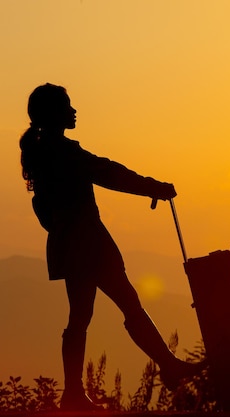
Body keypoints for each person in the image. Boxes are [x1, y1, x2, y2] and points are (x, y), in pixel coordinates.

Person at [19, 83, 205, 411]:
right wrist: (154, 188)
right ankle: (163, 366)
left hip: (72, 245)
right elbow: (110, 173)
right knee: (124, 307)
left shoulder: (44, 152)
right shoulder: (63, 153)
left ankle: (75, 392)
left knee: (83, 316)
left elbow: (46, 207)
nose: (73, 111)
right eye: (67, 106)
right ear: (54, 114)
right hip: (89, 245)